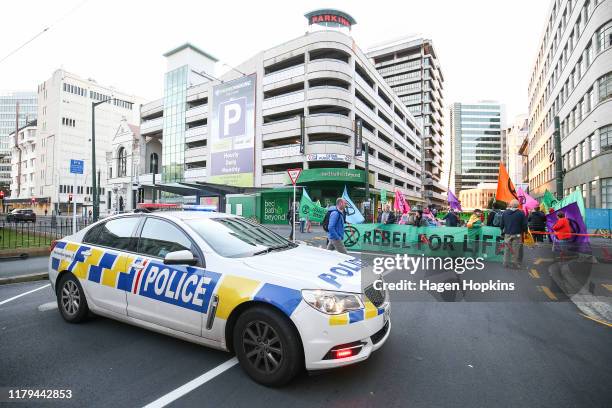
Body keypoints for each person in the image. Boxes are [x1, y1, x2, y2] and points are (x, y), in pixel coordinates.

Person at [500, 199, 528, 268]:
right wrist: (525, 232)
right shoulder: (521, 213)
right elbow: (524, 224)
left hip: (507, 234)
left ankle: (505, 263)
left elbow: (501, 224)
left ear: (510, 205)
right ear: (518, 205)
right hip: (517, 234)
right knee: (515, 250)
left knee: (507, 249)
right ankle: (514, 264)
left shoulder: (505, 213)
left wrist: (502, 231)